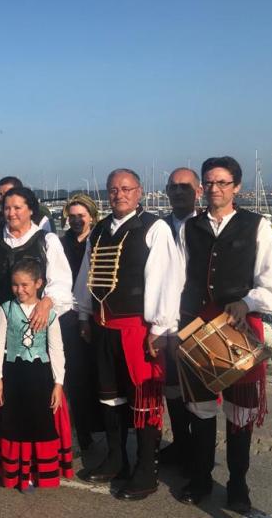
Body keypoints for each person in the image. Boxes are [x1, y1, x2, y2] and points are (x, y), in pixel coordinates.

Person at [176, 156, 272, 512]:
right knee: (201, 410)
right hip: (196, 328)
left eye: (222, 182)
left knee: (240, 413)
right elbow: (178, 279)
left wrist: (247, 301)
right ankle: (201, 477)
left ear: (237, 186)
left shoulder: (257, 226)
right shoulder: (189, 227)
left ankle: (238, 484)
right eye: (208, 183)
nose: (214, 189)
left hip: (239, 327)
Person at [74, 169, 180, 501]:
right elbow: (85, 275)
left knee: (144, 401)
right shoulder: (101, 229)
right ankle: (117, 459)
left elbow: (166, 279)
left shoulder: (154, 227)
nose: (119, 194)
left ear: (139, 192)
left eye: (126, 189)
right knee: (110, 397)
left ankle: (146, 469)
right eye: (113, 190)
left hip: (139, 329)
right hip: (104, 326)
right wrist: (83, 313)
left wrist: (160, 328)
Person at [0, 187, 73, 449]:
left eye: (17, 208)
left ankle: (30, 453)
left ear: (31, 210)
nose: (11, 213)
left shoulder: (47, 241)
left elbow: (61, 283)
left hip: (31, 325)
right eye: (7, 208)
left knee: (29, 390)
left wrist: (47, 302)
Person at [0, 258, 73, 490]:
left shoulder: (50, 314)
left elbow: (56, 348)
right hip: (12, 373)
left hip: (40, 375)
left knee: (36, 422)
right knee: (9, 422)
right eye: (15, 285)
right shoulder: (5, 309)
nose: (20, 290)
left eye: (25, 285)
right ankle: (0, 467)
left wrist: (58, 383)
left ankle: (29, 472)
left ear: (39, 283)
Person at [158, 168, 203, 472]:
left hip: (197, 319)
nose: (178, 192)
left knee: (198, 393)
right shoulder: (158, 227)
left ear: (198, 190)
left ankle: (199, 455)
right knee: (171, 386)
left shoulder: (205, 227)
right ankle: (181, 443)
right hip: (165, 320)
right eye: (173, 187)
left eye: (185, 187)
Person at [58, 194, 102, 451]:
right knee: (73, 375)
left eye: (80, 216)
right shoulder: (62, 243)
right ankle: (77, 431)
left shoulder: (98, 240)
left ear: (91, 217)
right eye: (72, 216)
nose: (75, 220)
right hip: (69, 315)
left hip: (94, 312)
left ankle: (93, 428)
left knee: (92, 376)